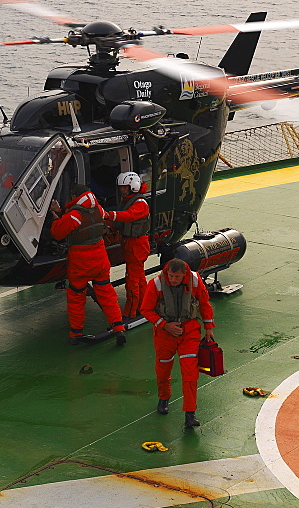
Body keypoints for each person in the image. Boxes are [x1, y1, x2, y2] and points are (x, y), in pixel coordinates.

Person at [140, 258, 216, 429]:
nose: (173, 279)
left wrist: (208, 327)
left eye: (177, 277)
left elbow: (204, 304)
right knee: (163, 369)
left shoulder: (196, 281)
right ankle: (163, 398)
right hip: (164, 335)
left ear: (184, 274)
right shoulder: (156, 284)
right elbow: (146, 309)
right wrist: (165, 325)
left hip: (189, 331)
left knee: (190, 374)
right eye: (171, 275)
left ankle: (190, 414)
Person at [50, 184, 127, 346]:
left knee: (76, 296)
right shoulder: (97, 209)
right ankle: (118, 327)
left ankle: (76, 333)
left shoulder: (74, 215)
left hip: (80, 262)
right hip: (100, 257)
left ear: (74, 196)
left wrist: (54, 217)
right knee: (107, 294)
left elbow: (57, 233)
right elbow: (104, 217)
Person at [106, 171, 151, 320]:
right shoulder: (129, 201)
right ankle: (144, 305)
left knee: (132, 280)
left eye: (124, 187)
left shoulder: (140, 204)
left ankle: (131, 312)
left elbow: (129, 216)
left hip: (136, 245)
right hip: (132, 243)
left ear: (133, 186)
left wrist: (110, 215)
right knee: (139, 278)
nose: (122, 190)